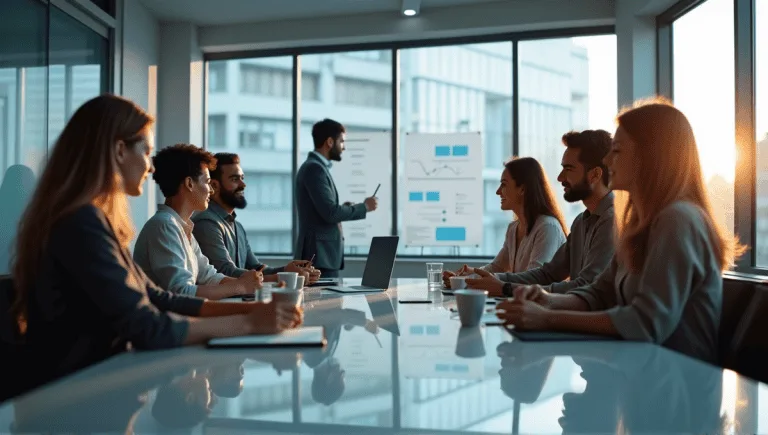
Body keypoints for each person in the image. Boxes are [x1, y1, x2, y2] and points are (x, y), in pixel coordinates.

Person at [10, 95, 303, 393]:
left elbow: (160, 297)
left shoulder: (93, 219)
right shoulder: (81, 223)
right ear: (120, 151)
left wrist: (250, 312)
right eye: (146, 152)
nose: (150, 168)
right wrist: (251, 324)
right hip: (74, 397)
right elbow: (147, 326)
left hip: (94, 385)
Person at [497, 98, 743, 363]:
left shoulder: (678, 219)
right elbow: (599, 293)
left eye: (616, 150)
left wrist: (548, 318)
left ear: (649, 157)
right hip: (645, 377)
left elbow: (644, 322)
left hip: (679, 386)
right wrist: (545, 300)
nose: (606, 160)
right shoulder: (640, 225)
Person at [464, 130, 614, 296]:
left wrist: (505, 288)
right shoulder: (581, 222)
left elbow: (585, 287)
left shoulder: (612, 220)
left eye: (568, 169)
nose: (559, 177)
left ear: (595, 175)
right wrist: (493, 280)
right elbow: (547, 274)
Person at [134, 145, 263, 300]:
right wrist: (241, 286)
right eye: (207, 182)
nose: (211, 190)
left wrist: (246, 283)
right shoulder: (164, 225)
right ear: (189, 183)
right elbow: (181, 292)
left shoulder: (181, 226)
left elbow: (209, 276)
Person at [192, 152, 319, 284]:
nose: (243, 184)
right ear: (214, 186)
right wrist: (286, 278)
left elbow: (256, 267)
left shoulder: (237, 226)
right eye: (235, 179)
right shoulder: (206, 223)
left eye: (242, 178)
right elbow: (225, 272)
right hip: (222, 303)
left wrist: (289, 270)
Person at [445, 157, 567, 281]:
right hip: (521, 299)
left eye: (504, 184)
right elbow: (496, 267)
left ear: (523, 189)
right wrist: (463, 278)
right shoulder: (513, 229)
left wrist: (473, 279)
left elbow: (534, 279)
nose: (498, 192)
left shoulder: (547, 227)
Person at [294, 118, 378, 278]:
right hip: (319, 258)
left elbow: (323, 210)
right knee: (324, 302)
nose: (344, 147)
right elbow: (331, 213)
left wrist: (344, 207)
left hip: (321, 257)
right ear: (330, 142)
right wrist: (364, 207)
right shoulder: (315, 169)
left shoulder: (316, 167)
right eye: (341, 142)